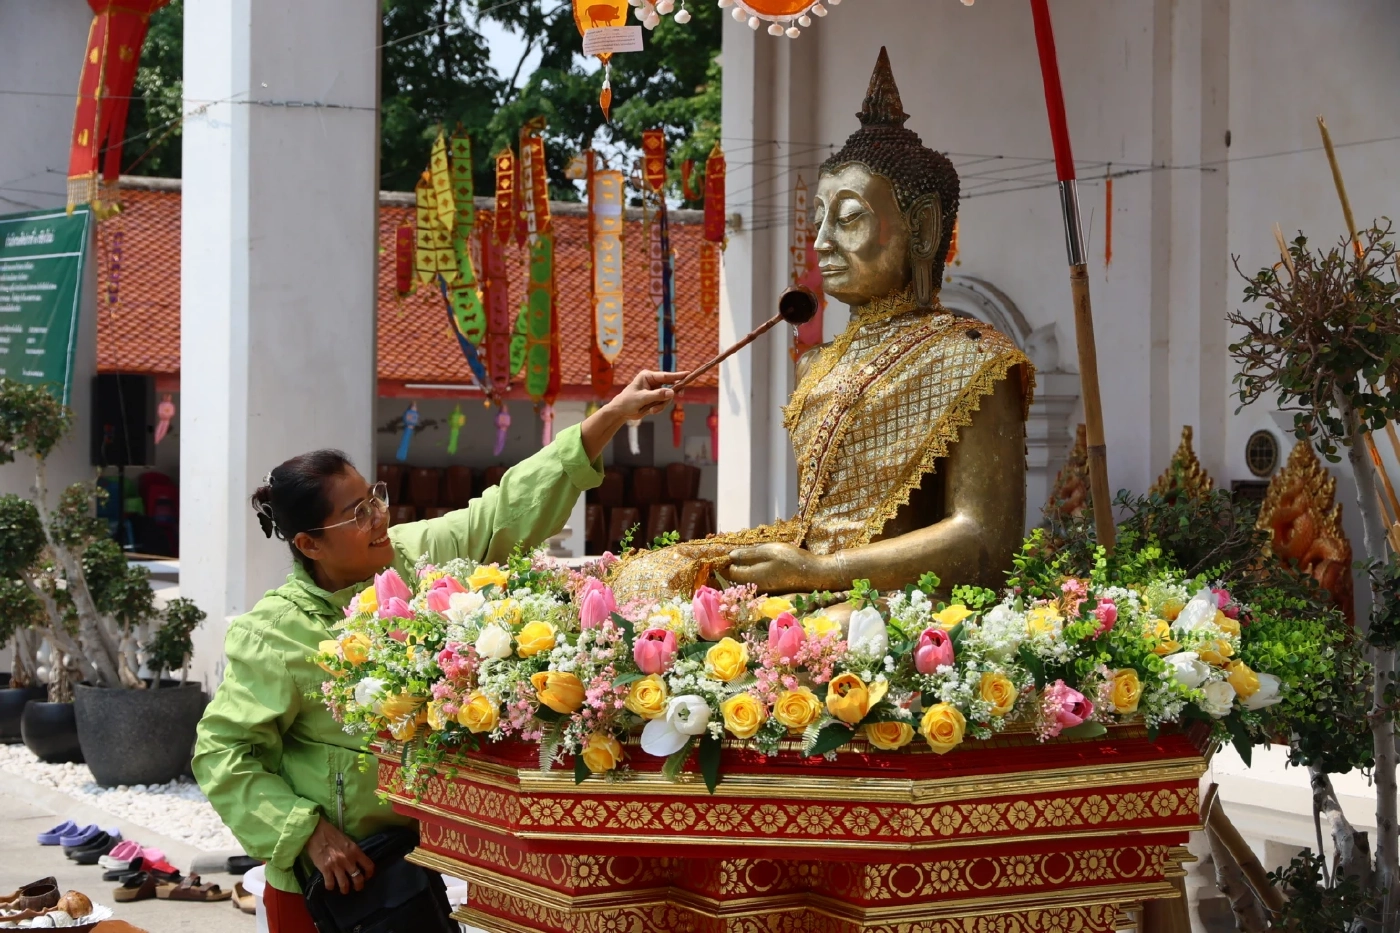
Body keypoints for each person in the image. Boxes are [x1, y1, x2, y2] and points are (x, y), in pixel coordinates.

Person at [192, 370, 679, 933]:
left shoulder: (413, 555)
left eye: (373, 497)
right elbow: (221, 753)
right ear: (308, 544)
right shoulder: (273, 632)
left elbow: (503, 510)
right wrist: (305, 834)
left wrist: (611, 415)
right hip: (340, 882)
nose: (379, 517)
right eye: (355, 515)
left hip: (430, 866)